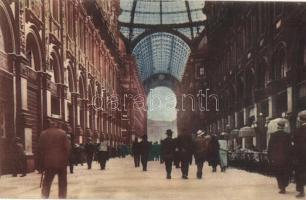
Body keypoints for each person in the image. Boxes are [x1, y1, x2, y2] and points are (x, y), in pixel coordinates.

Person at [38, 120, 70, 199]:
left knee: (47, 183)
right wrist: (67, 160)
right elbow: (67, 148)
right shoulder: (63, 133)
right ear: (57, 125)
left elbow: (40, 150)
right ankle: (62, 197)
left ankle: (44, 197)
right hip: (61, 163)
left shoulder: (43, 134)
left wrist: (41, 164)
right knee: (62, 183)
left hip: (48, 163)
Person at [268, 120, 292, 194]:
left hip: (276, 158)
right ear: (283, 127)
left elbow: (270, 147)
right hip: (286, 158)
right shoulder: (288, 135)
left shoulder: (273, 135)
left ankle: (282, 187)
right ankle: (284, 184)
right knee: (285, 171)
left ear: (277, 126)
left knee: (278, 172)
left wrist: (270, 157)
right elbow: (290, 147)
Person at [293, 113, 306, 198]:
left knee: (300, 172)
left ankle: (301, 191)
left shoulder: (297, 130)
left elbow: (295, 144)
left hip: (300, 155)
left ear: (301, 120)